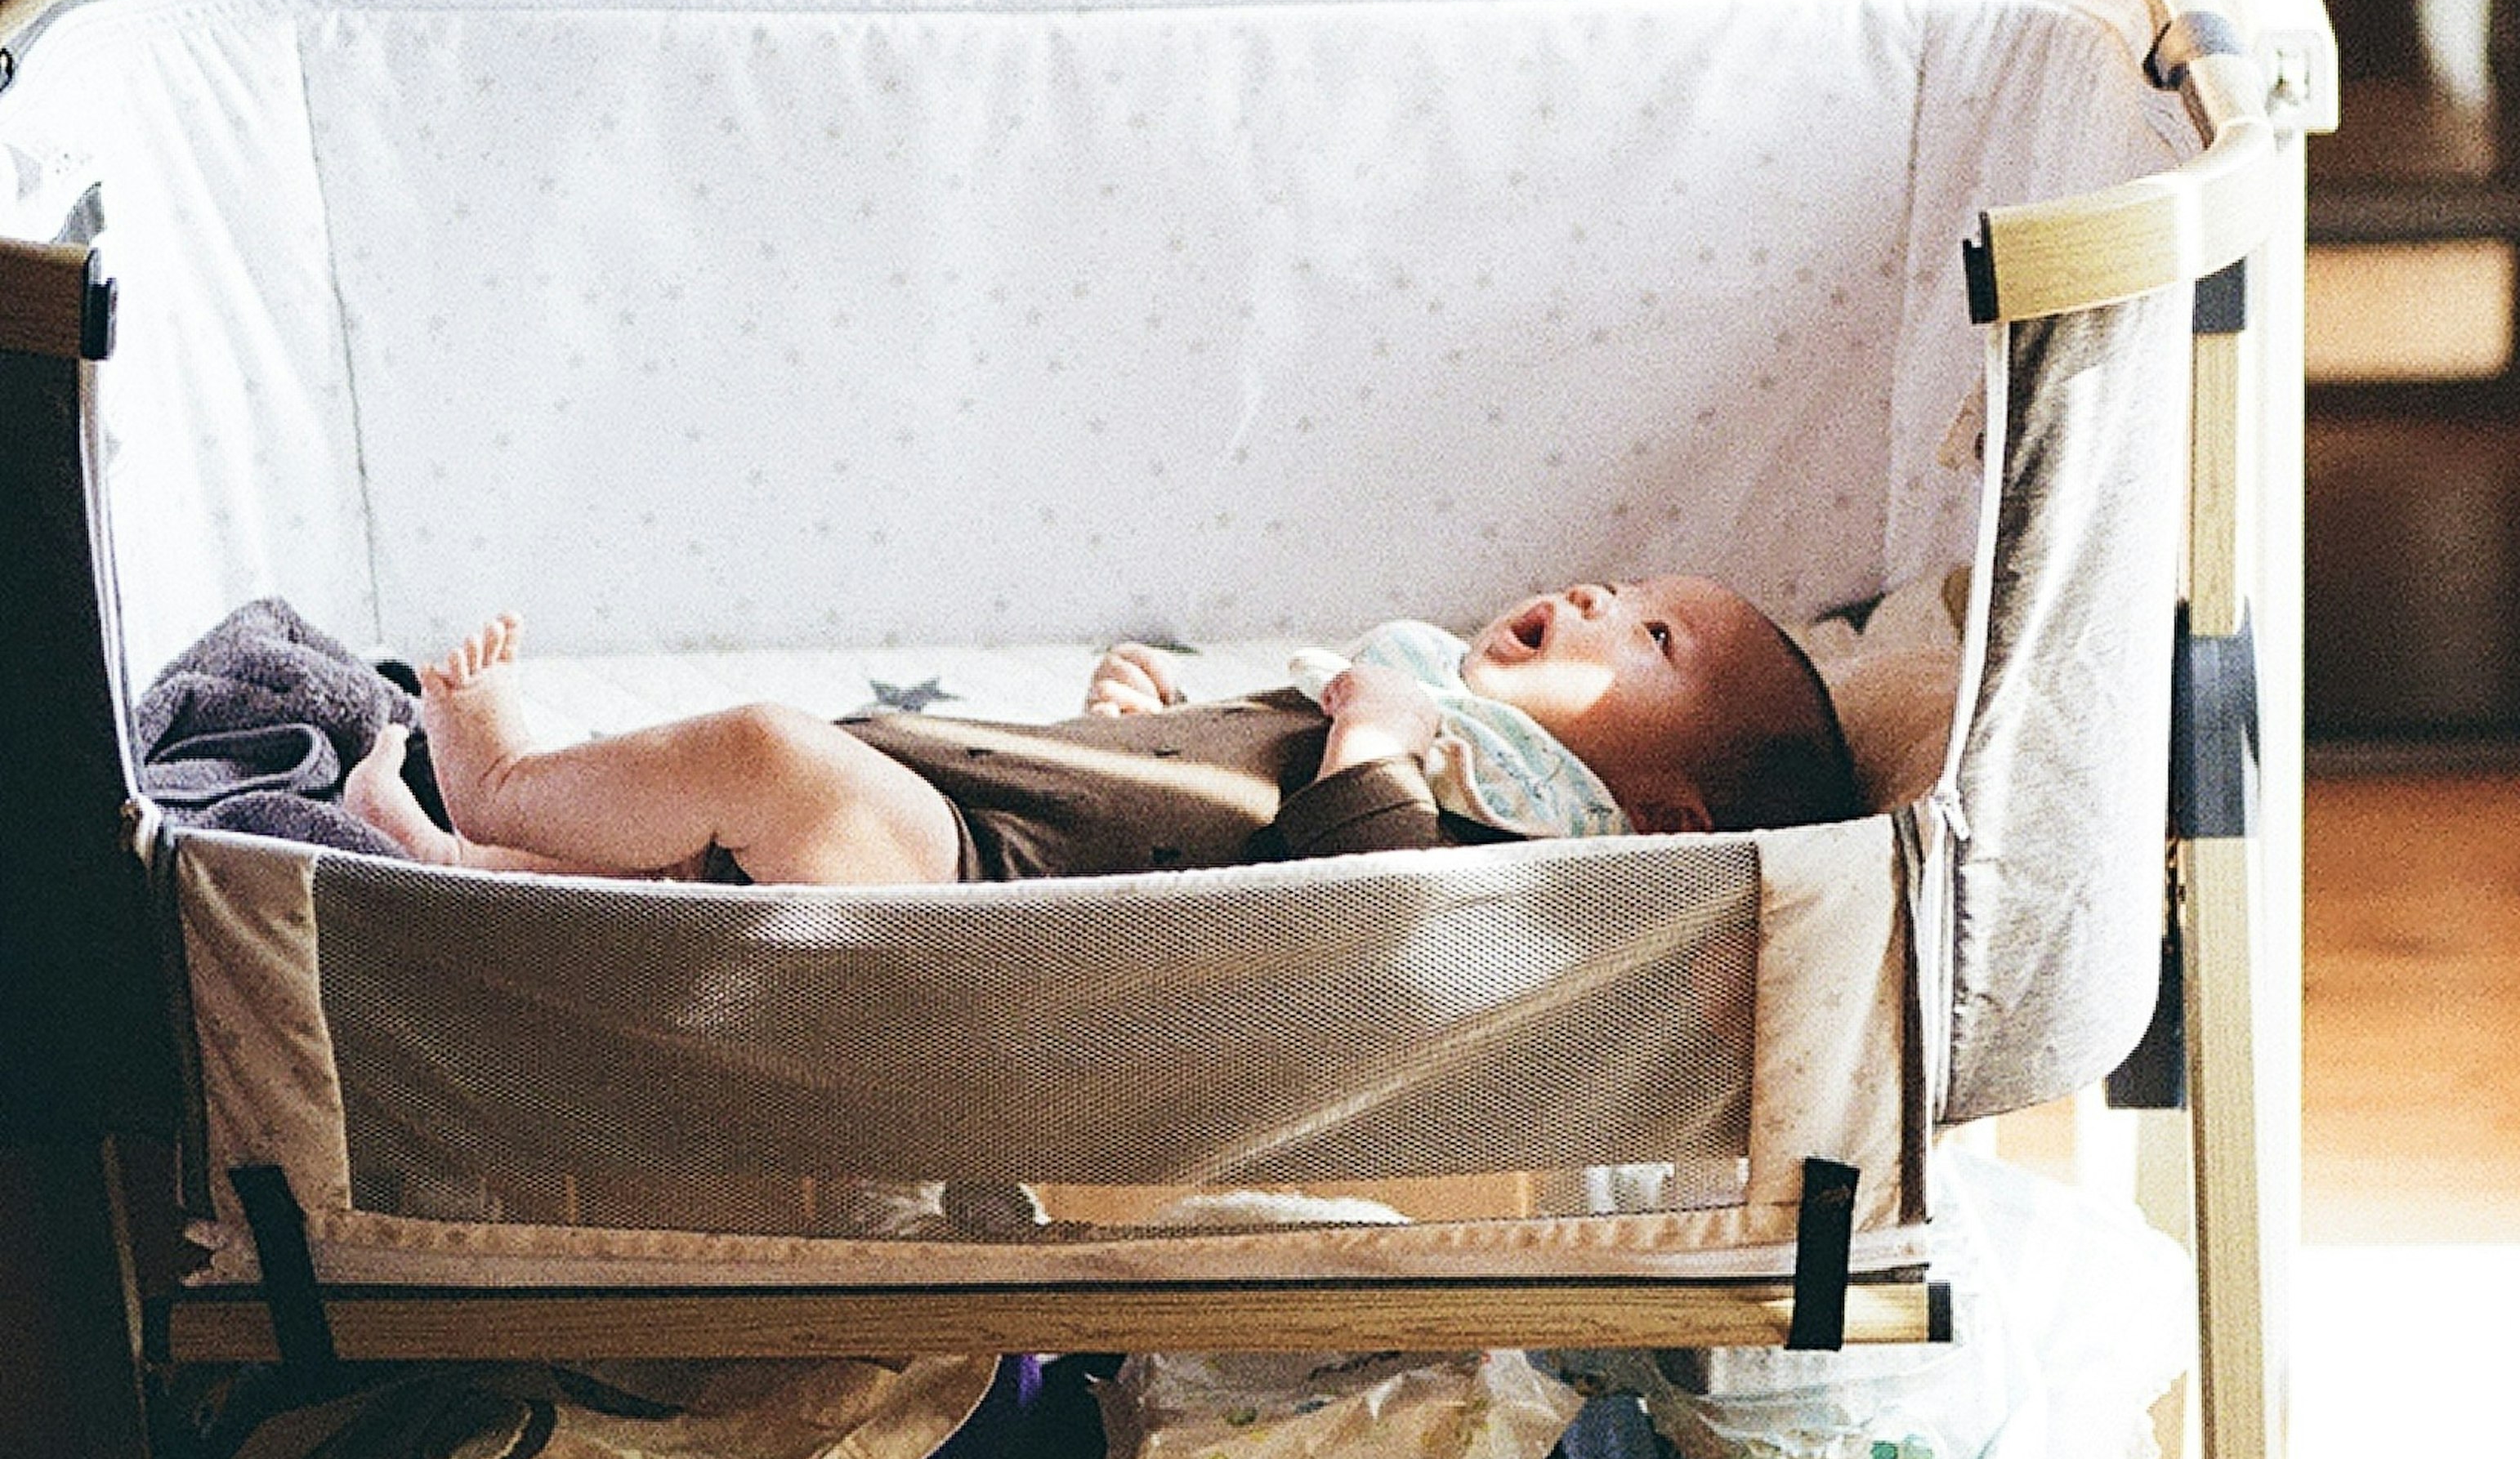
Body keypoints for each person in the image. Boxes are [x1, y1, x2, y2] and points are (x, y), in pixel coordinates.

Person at [342, 577, 1857, 891]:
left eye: (1654, 637)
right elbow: (1202, 798)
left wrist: (1379, 743)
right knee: (718, 863)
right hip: (1006, 825)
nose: (1599, 592)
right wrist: (1127, 728)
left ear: (1665, 811)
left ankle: (508, 783)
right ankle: (477, 871)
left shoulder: (1538, 846)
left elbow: (1370, 910)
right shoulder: (1450, 724)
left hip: (995, 922)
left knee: (764, 756)